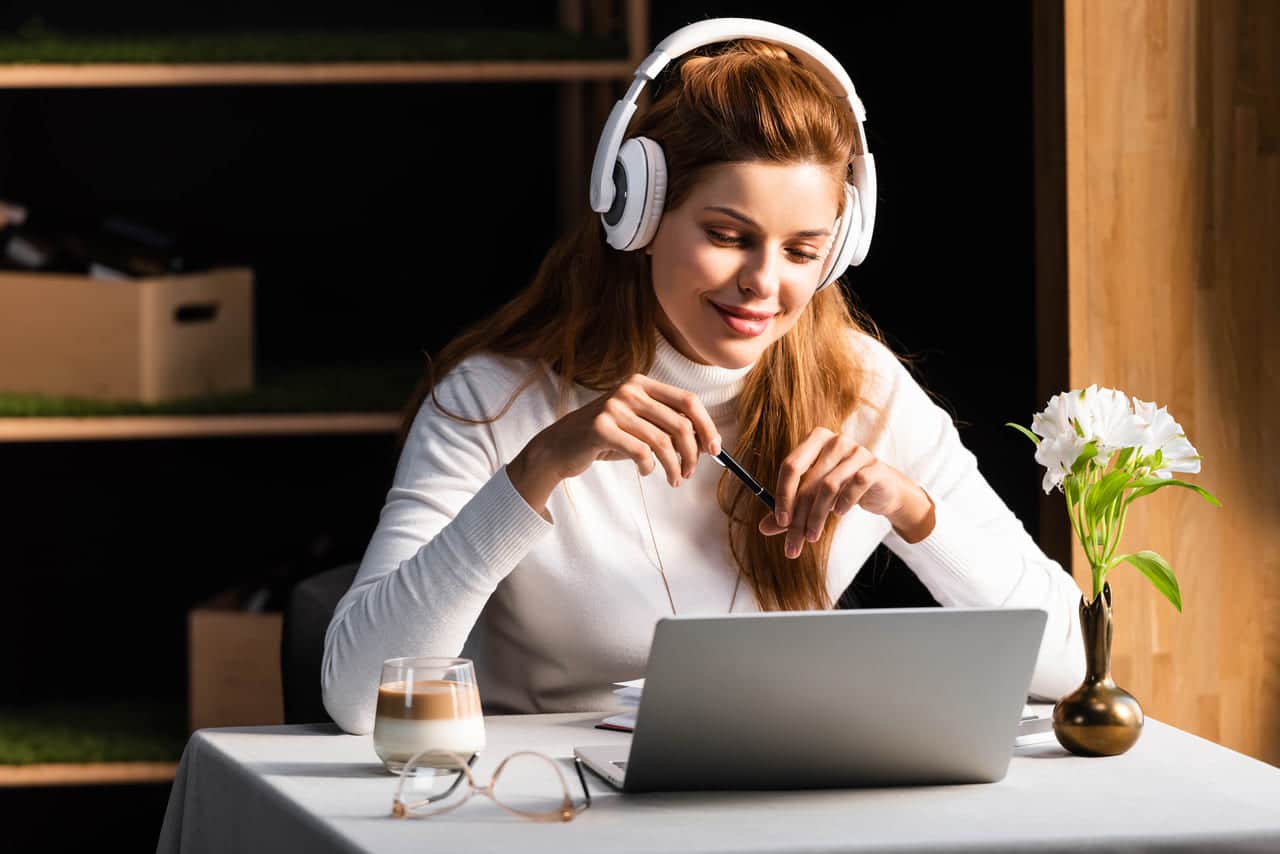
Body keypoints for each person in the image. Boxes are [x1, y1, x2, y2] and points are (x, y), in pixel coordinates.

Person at [322, 19, 1085, 735]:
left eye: (801, 250)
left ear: (841, 246)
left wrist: (912, 510)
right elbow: (359, 696)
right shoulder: (496, 400)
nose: (764, 282)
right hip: (551, 813)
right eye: (728, 236)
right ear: (639, 214)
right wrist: (539, 469)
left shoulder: (865, 389)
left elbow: (1071, 663)